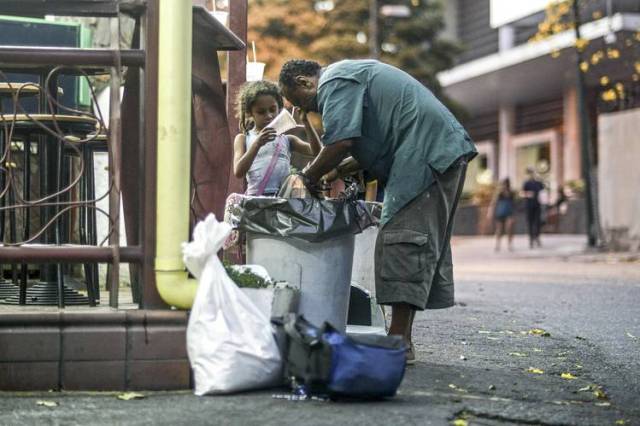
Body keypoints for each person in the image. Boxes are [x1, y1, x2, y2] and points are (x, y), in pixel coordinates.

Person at [278, 59, 477, 363]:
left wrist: (308, 175)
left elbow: (342, 141)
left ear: (305, 82)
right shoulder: (350, 75)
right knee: (409, 240)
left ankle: (399, 342)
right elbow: (364, 143)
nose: (310, 112)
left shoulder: (334, 81)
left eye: (302, 103)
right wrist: (336, 171)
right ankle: (400, 339)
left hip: (425, 151)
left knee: (402, 240)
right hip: (432, 149)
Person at [233, 80, 321, 196]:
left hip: (283, 199)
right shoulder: (244, 139)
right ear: (250, 113)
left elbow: (317, 152)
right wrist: (257, 144)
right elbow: (238, 172)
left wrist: (306, 122)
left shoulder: (288, 139)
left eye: (272, 110)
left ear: (279, 108)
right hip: (257, 200)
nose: (269, 116)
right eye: (261, 112)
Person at [488, 178, 516, 252]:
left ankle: (510, 244)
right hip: (500, 213)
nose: (505, 186)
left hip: (509, 213)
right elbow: (493, 203)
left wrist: (513, 215)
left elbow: (513, 204)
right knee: (499, 230)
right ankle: (497, 244)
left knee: (509, 228)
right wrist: (490, 212)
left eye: (506, 184)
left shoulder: (511, 193)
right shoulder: (499, 193)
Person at [522, 167, 545, 248]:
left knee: (538, 222)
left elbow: (543, 192)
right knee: (530, 222)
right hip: (529, 205)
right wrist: (528, 194)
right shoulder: (526, 183)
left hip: (537, 205)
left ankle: (537, 237)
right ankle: (531, 239)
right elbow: (523, 193)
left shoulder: (538, 183)